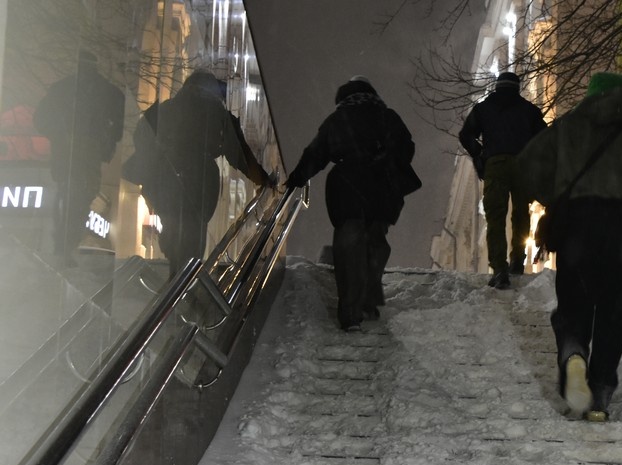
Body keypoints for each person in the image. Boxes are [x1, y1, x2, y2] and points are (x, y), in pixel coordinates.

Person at [518, 72, 622, 422]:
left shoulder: (567, 128)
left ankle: (574, 353)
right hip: (618, 226)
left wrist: (556, 196)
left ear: (590, 96)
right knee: (610, 308)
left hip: (577, 220)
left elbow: (528, 164)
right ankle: (600, 392)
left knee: (574, 299)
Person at [285, 76, 419, 332]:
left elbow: (316, 153)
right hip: (382, 185)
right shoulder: (387, 117)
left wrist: (297, 178)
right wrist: (384, 157)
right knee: (376, 241)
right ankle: (369, 298)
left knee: (349, 246)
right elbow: (406, 148)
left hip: (347, 186)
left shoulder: (338, 119)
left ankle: (350, 313)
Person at [123, 70, 272, 279]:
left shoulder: (165, 109)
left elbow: (142, 139)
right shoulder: (216, 113)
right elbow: (239, 154)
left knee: (174, 226)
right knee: (193, 233)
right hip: (199, 179)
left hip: (164, 179)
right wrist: (263, 179)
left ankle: (175, 269)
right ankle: (183, 280)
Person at [34, 51, 125, 265]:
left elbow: (41, 119)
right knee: (75, 195)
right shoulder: (105, 92)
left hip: (78, 153)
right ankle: (65, 244)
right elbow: (42, 119)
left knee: (76, 195)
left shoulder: (65, 89)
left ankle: (65, 244)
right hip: (79, 153)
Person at [459, 71, 546, 289]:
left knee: (495, 216)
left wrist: (479, 153)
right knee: (521, 213)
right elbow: (545, 139)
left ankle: (499, 268)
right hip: (522, 165)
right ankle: (517, 259)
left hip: (495, 164)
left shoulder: (484, 108)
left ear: (496, 87)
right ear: (517, 88)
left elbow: (465, 135)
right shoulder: (528, 110)